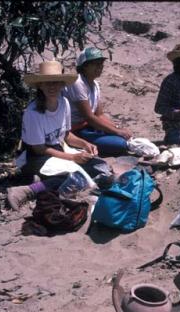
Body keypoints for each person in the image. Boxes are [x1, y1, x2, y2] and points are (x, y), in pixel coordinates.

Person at [7, 60, 111, 210]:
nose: (52, 87)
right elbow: (39, 149)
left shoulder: (64, 103)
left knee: (98, 166)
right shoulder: (33, 113)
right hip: (36, 158)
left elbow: (66, 135)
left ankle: (43, 181)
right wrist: (73, 158)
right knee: (71, 176)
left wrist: (85, 145)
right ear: (40, 86)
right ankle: (26, 191)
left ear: (63, 85)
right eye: (47, 83)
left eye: (56, 82)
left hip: (58, 150)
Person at [63, 47, 132, 156]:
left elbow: (99, 115)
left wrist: (118, 128)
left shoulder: (95, 85)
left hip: (88, 127)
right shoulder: (77, 83)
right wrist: (117, 132)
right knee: (120, 144)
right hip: (75, 130)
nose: (100, 67)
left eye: (101, 64)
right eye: (95, 64)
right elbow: (89, 117)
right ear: (84, 66)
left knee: (123, 139)